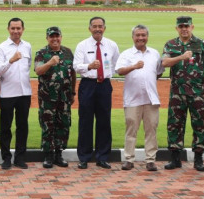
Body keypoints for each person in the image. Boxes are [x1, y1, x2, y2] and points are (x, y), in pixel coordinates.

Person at [161, 16, 204, 171]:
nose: (184, 29)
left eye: (187, 26)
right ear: (176, 28)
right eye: (181, 26)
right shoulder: (171, 44)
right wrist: (181, 57)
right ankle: (175, 158)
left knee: (200, 124)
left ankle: (198, 159)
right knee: (174, 124)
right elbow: (165, 62)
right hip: (177, 92)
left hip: (198, 92)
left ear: (192, 27)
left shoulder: (202, 44)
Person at [73, 16, 119, 169]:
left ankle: (103, 157)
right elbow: (76, 66)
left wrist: (105, 74)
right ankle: (84, 157)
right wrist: (89, 66)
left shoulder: (112, 45)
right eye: (94, 26)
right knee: (85, 121)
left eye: (100, 26)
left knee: (104, 121)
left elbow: (115, 65)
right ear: (89, 28)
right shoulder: (82, 45)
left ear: (104, 28)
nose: (97, 29)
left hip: (104, 85)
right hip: (88, 84)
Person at [115, 24, 162, 172]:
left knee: (151, 129)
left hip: (151, 98)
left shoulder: (154, 54)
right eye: (138, 35)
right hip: (132, 99)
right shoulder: (126, 54)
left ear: (147, 37)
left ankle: (150, 160)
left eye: (143, 35)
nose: (141, 38)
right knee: (131, 129)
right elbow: (119, 71)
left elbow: (159, 72)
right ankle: (129, 159)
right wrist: (134, 67)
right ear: (133, 37)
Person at [34, 26, 76, 169]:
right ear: (47, 38)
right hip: (47, 98)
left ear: (61, 37)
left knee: (63, 124)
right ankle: (48, 155)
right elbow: (38, 70)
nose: (55, 39)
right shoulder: (41, 53)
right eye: (52, 36)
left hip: (64, 97)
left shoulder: (68, 53)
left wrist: (73, 92)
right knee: (47, 125)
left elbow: (73, 73)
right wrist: (50, 63)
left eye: (57, 36)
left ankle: (59, 153)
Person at [0, 17, 32, 169]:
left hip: (24, 93)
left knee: (22, 126)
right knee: (6, 127)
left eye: (18, 28)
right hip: (8, 93)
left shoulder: (27, 46)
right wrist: (10, 60)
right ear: (8, 29)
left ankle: (20, 157)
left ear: (23, 29)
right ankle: (6, 158)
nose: (16, 31)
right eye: (13, 28)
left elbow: (27, 67)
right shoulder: (2, 48)